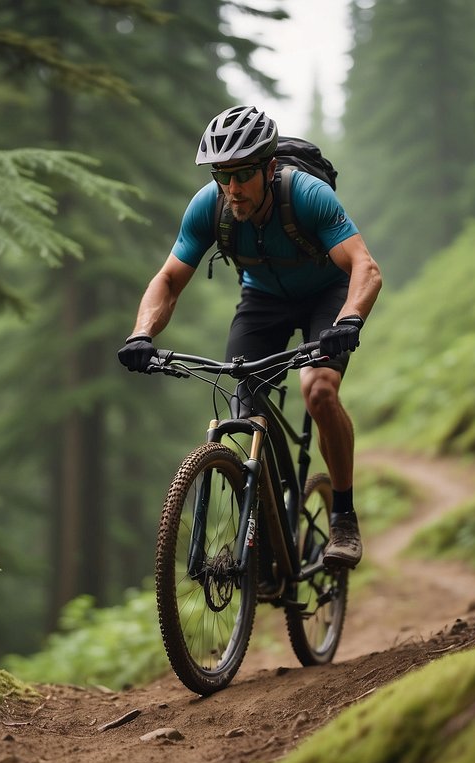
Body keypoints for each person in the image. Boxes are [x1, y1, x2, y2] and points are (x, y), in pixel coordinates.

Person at [117, 104, 382, 572]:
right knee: (243, 408)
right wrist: (141, 334)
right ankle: (263, 531)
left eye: (243, 175)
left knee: (318, 390)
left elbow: (365, 267)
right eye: (223, 176)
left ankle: (342, 516)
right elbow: (169, 280)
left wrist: (349, 321)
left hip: (327, 293)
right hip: (262, 302)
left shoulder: (306, 196)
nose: (233, 189)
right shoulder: (210, 206)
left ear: (269, 167)